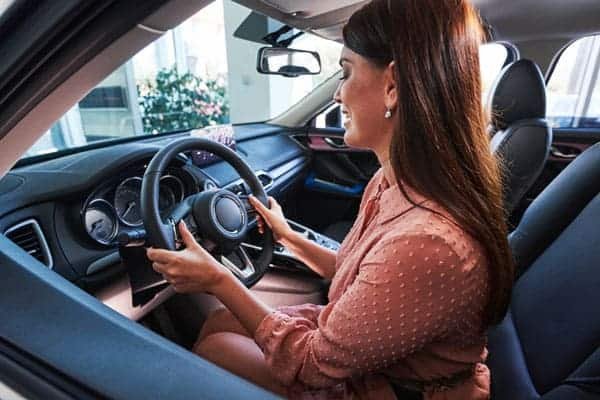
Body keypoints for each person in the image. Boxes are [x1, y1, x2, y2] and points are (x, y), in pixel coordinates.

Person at [146, 0, 514, 398]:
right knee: (221, 324)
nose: (338, 94)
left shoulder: (429, 242)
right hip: (386, 366)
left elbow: (311, 366)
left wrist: (217, 279)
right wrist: (288, 237)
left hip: (402, 390)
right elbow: (359, 271)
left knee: (218, 347)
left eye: (346, 72)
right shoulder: (392, 183)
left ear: (393, 86)